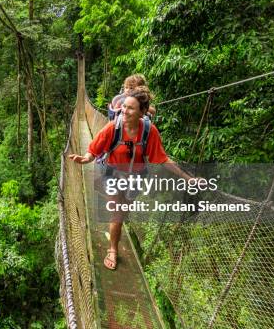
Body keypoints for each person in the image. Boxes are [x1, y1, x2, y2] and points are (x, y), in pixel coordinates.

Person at [69, 86, 192, 270]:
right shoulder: (113, 127)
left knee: (124, 211)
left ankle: (114, 225)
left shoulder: (149, 132)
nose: (124, 111)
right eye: (124, 106)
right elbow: (93, 149)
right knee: (118, 214)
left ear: (143, 112)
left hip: (135, 178)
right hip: (113, 175)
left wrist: (187, 177)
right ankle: (113, 249)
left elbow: (162, 158)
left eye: (130, 108)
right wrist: (85, 159)